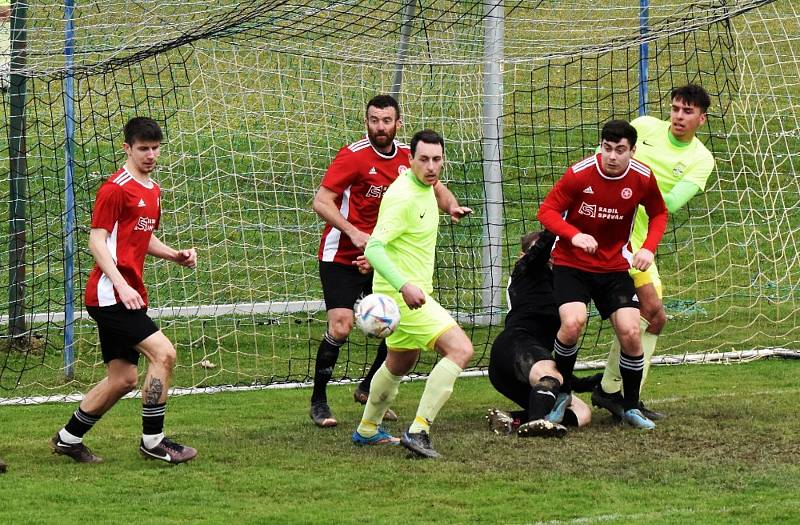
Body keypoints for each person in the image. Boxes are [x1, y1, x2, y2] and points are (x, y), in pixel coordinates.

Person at [50, 117, 198, 464]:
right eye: (143, 148)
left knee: (123, 379)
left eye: (155, 148)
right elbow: (96, 241)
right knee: (164, 354)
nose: (150, 155)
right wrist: (120, 284)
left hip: (123, 294)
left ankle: (68, 438)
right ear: (127, 148)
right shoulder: (115, 188)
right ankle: (153, 441)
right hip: (110, 296)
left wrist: (174, 255)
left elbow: (140, 239)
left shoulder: (152, 190)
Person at [311, 95, 464, 428]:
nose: (379, 127)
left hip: (382, 258)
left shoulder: (412, 161)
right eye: (374, 120)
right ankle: (319, 400)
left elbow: (438, 188)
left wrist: (451, 205)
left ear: (398, 123)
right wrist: (353, 233)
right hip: (343, 254)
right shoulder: (352, 157)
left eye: (386, 121)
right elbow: (321, 201)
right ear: (366, 121)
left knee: (394, 323)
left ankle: (368, 389)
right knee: (341, 326)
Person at [593, 85, 715, 419]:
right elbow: (603, 160)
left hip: (638, 242)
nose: (678, 116)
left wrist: (633, 185)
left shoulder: (701, 159)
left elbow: (671, 203)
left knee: (653, 318)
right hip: (604, 231)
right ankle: (613, 394)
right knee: (648, 314)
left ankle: (613, 391)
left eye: (687, 112)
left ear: (701, 119)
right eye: (675, 108)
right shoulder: (645, 126)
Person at [537, 119, 668, 430]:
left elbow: (659, 212)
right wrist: (573, 235)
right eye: (607, 148)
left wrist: (648, 247)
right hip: (572, 264)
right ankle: (562, 393)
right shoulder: (579, 173)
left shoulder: (642, 177)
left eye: (620, 150)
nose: (612, 156)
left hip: (613, 267)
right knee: (572, 323)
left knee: (632, 331)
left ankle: (629, 405)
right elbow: (547, 211)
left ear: (632, 151)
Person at [350, 129, 473, 458]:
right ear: (410, 160)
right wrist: (404, 285)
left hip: (408, 293)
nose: (431, 166)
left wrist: (451, 206)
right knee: (461, 349)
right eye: (424, 160)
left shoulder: (426, 186)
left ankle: (367, 429)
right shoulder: (402, 196)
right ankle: (419, 430)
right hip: (401, 297)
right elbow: (374, 248)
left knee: (400, 362)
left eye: (437, 159)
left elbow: (433, 191)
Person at [486, 230, 597, 438]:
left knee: (582, 413)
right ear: (524, 255)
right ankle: (537, 424)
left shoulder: (564, 284)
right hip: (514, 346)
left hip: (531, 362)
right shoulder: (525, 269)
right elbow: (541, 250)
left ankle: (511, 419)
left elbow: (558, 373)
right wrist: (561, 223)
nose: (551, 254)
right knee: (550, 376)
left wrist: (595, 382)